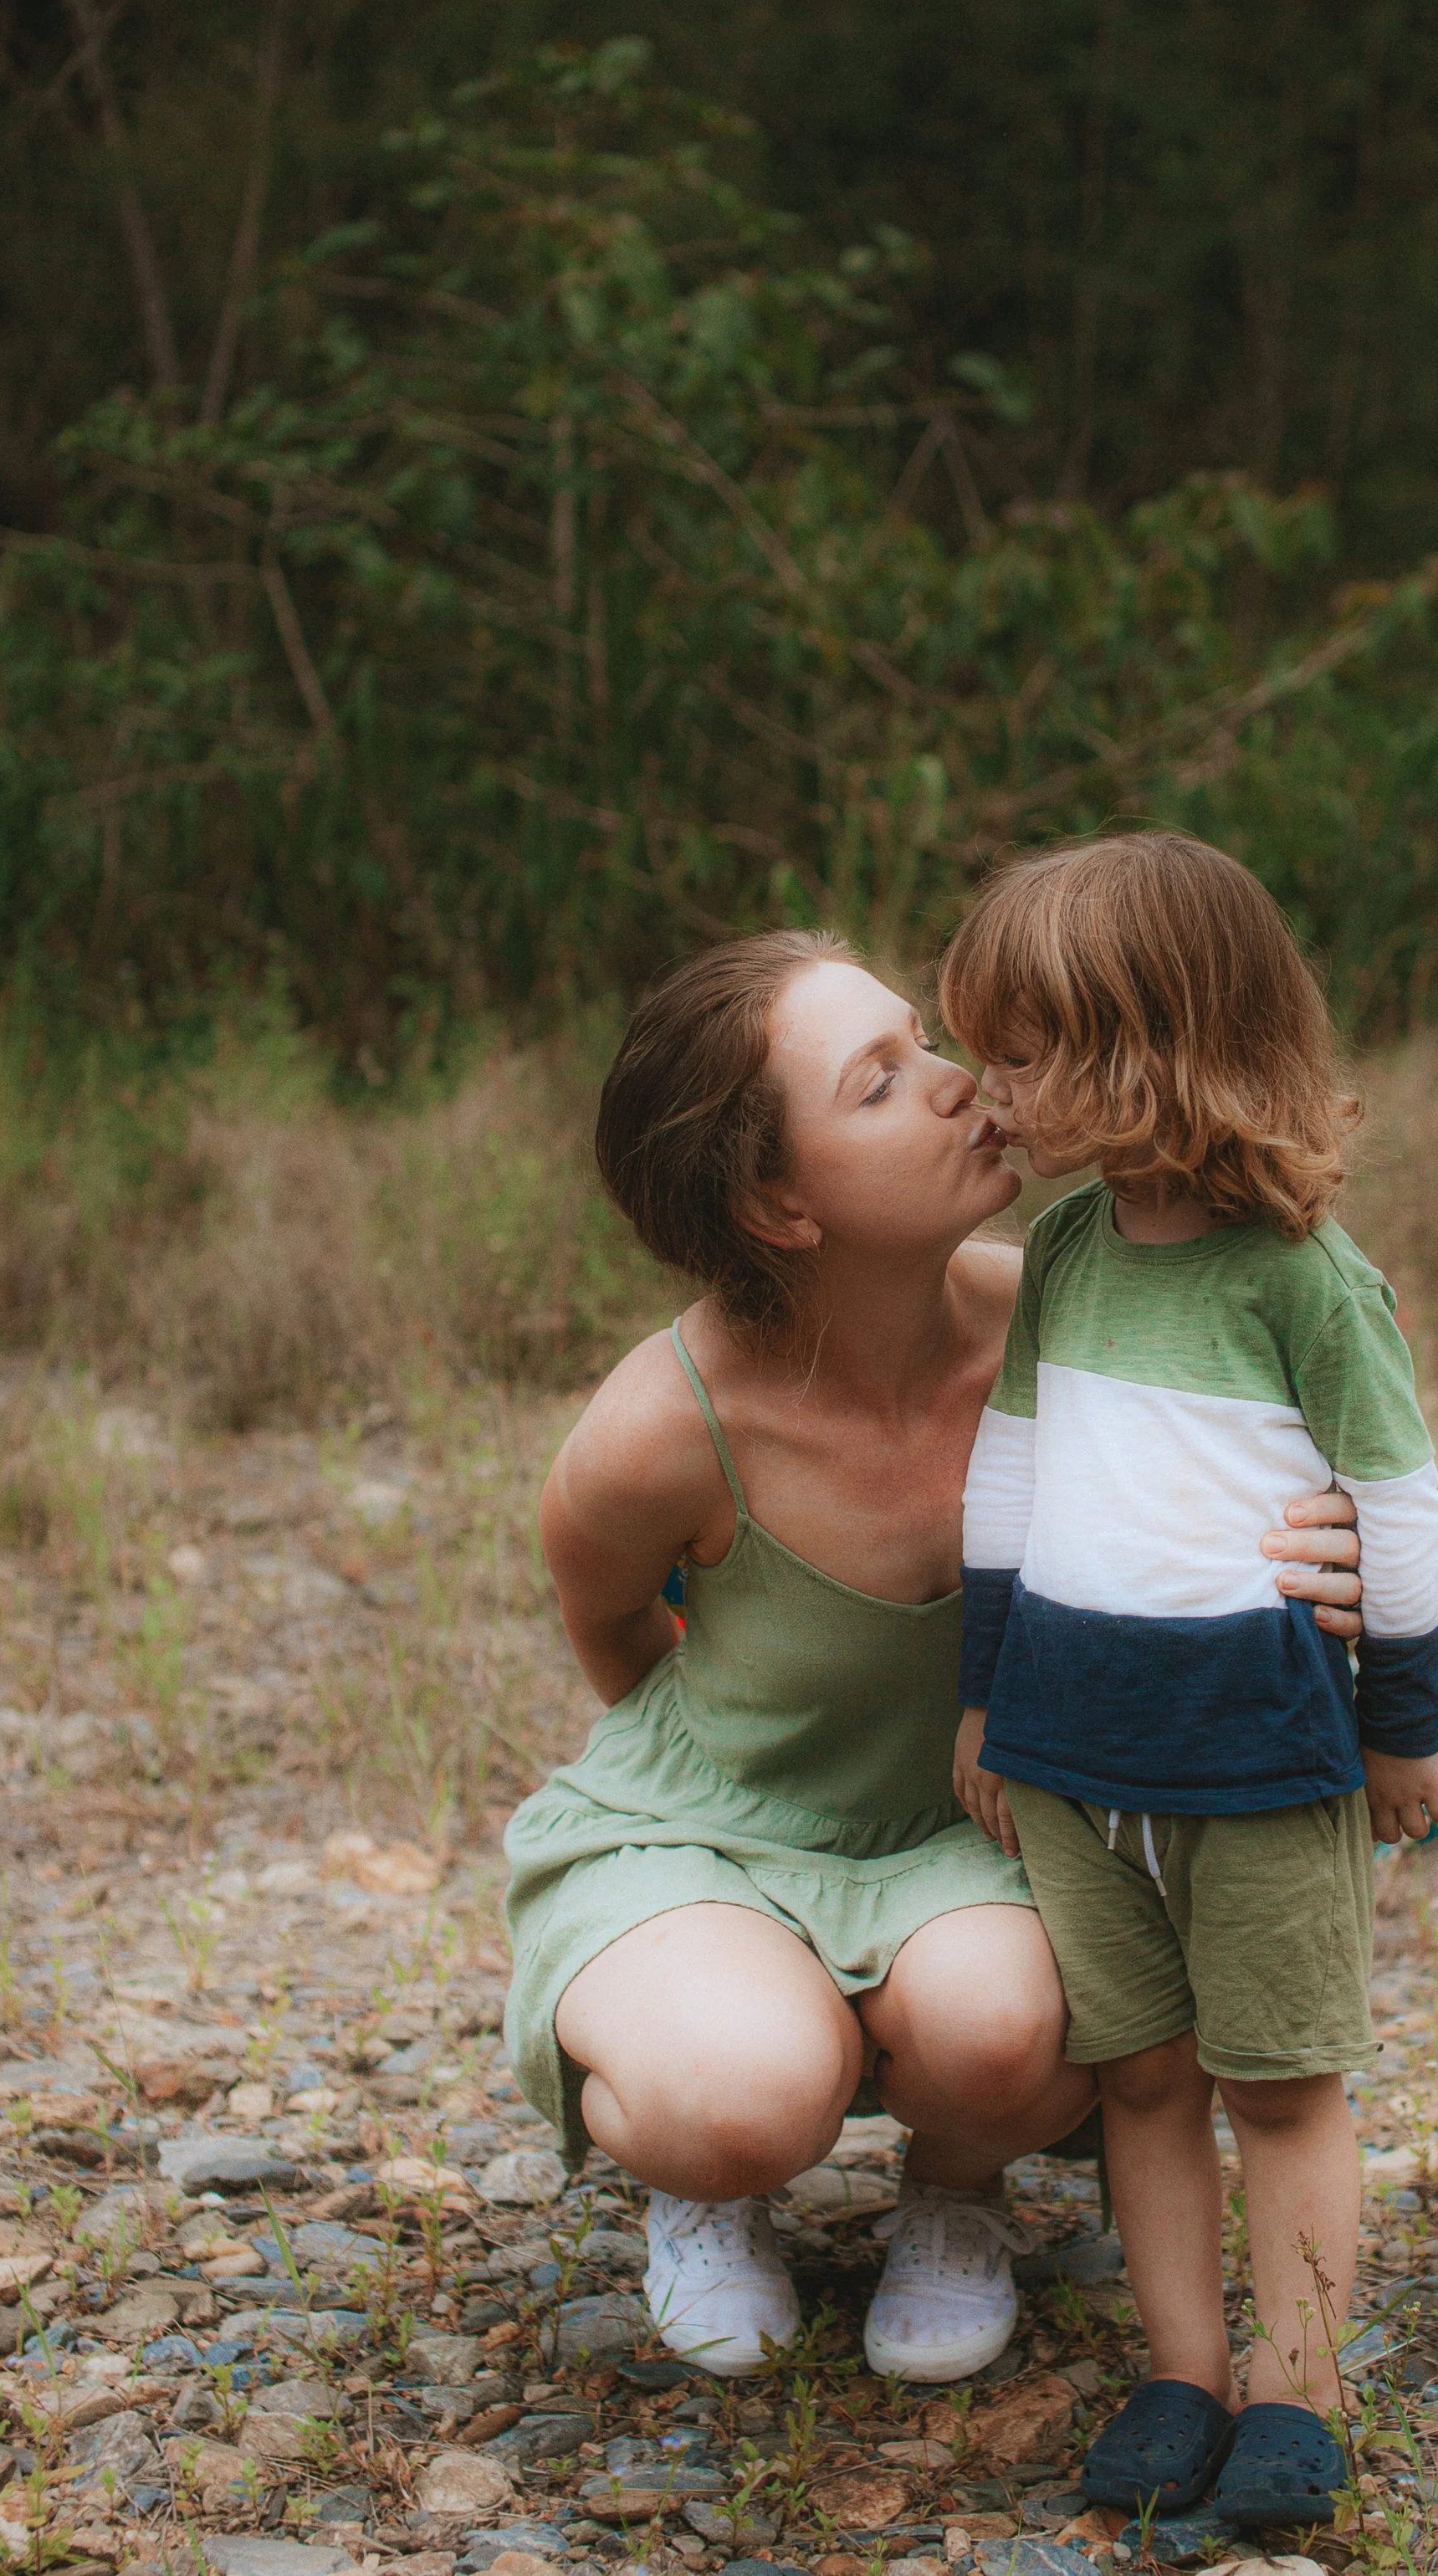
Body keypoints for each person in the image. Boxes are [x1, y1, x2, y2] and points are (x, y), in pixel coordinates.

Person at [502, 928, 1368, 2384]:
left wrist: (1337, 1545)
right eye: (882, 1082)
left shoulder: (1073, 1317)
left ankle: (957, 2193)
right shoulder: (662, 1425)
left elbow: (1268, 1466)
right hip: (707, 1828)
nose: (966, 1085)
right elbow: (612, 1625)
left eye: (927, 1042)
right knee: (740, 2096)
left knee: (1013, 2033)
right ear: (781, 1199)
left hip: (975, 1831)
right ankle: (704, 2183)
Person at [945, 833, 1438, 2521]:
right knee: (1142, 2075)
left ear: (1148, 1047)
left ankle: (1295, 2393)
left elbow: (1397, 1505)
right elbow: (1007, 1482)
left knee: (1279, 2079)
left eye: (1020, 1052)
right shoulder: (1072, 1256)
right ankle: (1180, 2368)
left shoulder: (1305, 1277)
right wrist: (984, 1695)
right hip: (1076, 1748)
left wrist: (1399, 1730)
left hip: (1257, 1751)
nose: (985, 1088)